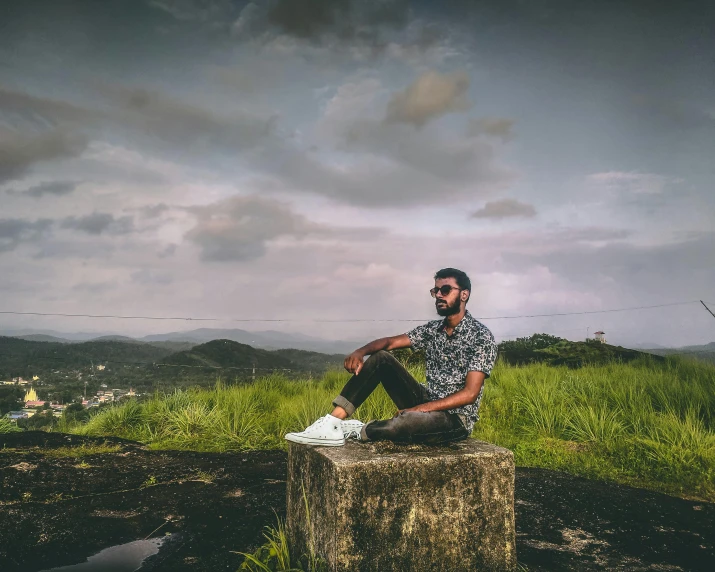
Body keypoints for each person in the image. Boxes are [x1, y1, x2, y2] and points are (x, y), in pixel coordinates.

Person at [284, 268, 498, 446]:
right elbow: (390, 343)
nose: (439, 295)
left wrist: (419, 410)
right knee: (381, 358)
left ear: (464, 294)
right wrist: (361, 352)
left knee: (403, 424)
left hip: (455, 419)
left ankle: (361, 430)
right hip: (426, 399)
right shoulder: (434, 330)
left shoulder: (480, 336)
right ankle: (333, 421)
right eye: (436, 290)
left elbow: (469, 394)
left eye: (445, 289)